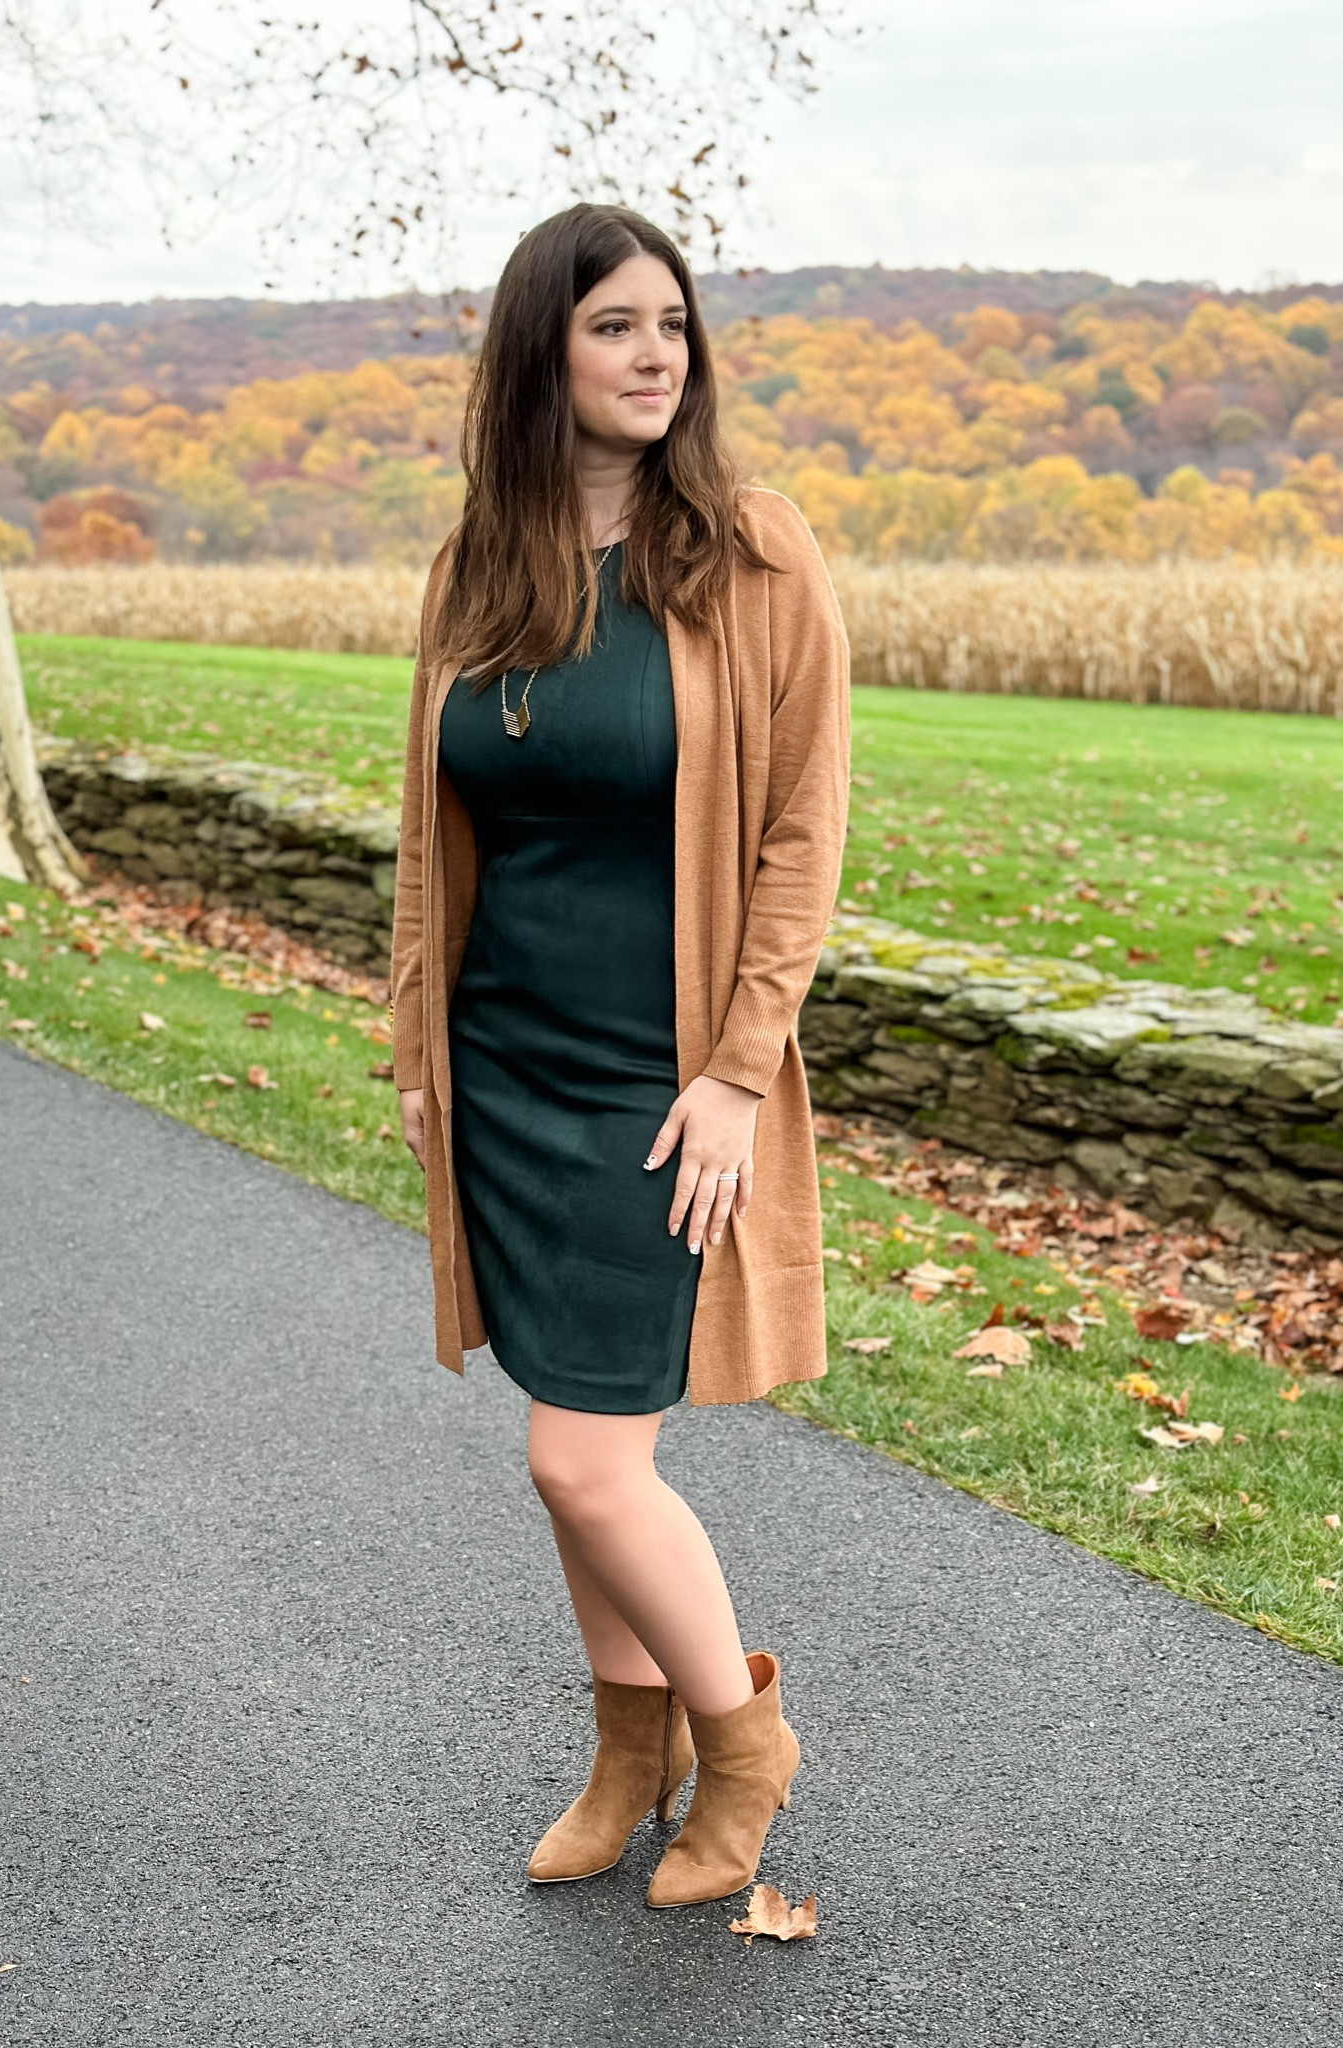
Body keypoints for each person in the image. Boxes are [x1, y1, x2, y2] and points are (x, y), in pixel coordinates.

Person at [389, 202, 850, 1909]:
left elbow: (800, 832)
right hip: (502, 1059)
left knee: (579, 1455)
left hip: (654, 1081)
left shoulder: (750, 549)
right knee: (585, 1450)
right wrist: (418, 1040)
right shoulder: (473, 567)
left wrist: (736, 1070)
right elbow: (434, 827)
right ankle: (624, 1750)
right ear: (541, 352)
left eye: (673, 325)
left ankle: (742, 1747)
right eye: (615, 327)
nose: (658, 354)